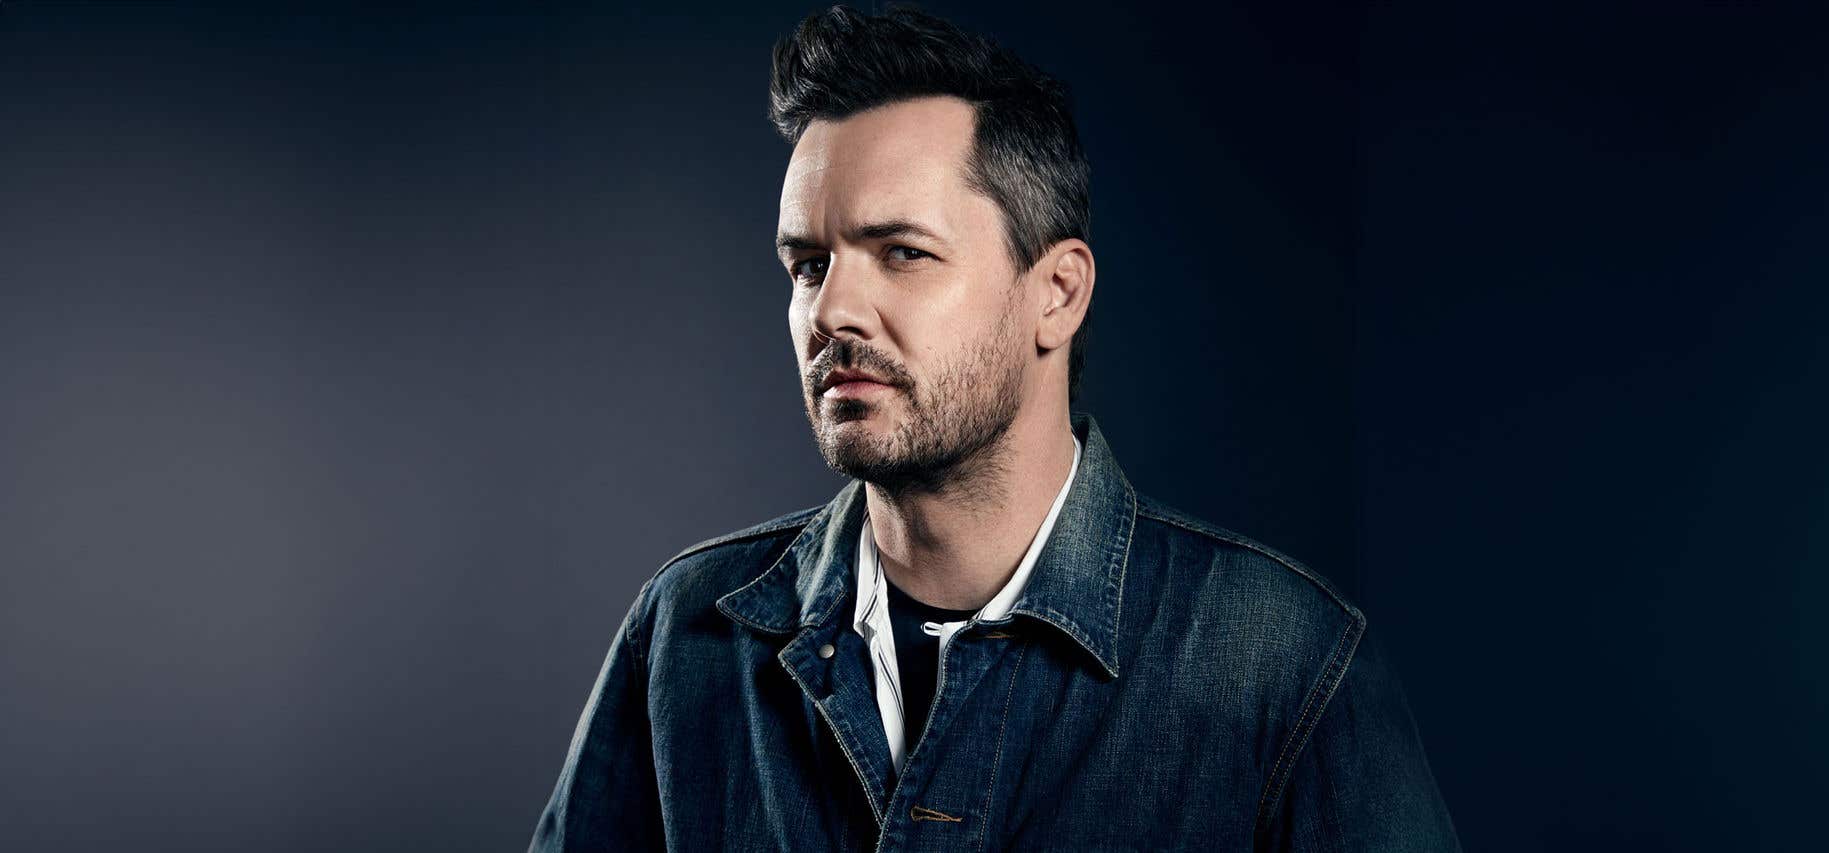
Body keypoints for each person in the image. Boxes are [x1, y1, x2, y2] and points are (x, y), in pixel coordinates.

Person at [530, 6, 1458, 851]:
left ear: (1055, 293)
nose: (832, 310)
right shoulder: (686, 640)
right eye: (809, 264)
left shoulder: (1280, 664)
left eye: (902, 253)